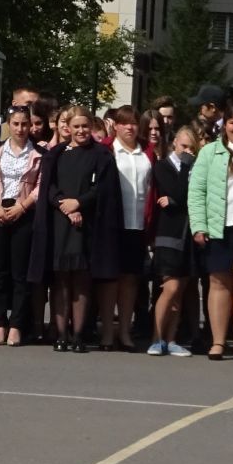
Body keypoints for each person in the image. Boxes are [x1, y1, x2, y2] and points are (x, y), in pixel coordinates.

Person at [37, 106, 119, 352]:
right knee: (61, 280)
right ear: (68, 128)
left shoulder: (101, 155)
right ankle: (61, 334)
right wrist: (65, 205)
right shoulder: (57, 154)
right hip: (61, 222)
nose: (81, 131)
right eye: (76, 126)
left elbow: (103, 188)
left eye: (85, 126)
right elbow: (48, 186)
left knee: (82, 280)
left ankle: (79, 335)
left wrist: (80, 203)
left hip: (87, 222)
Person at [188, 102, 233, 361]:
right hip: (219, 226)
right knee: (218, 284)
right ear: (224, 125)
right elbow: (196, 192)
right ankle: (217, 341)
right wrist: (199, 225)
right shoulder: (209, 152)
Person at [0, 102, 40, 347]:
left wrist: (22, 206)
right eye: (15, 124)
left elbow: (40, 185)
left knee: (19, 273)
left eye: (24, 124)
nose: (20, 128)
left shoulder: (38, 153)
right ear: (9, 125)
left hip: (23, 212)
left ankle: (16, 324)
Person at [100, 105, 153, 351]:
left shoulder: (147, 152)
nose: (130, 127)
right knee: (111, 279)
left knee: (131, 280)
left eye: (133, 123)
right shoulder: (107, 151)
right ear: (116, 126)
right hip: (114, 225)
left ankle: (125, 330)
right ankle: (108, 332)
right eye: (124, 123)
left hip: (139, 224)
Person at [148, 123, 196, 356]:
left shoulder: (196, 167)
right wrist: (185, 170)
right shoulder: (162, 166)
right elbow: (176, 191)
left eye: (191, 148)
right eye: (183, 145)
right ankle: (156, 337)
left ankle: (172, 338)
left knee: (181, 289)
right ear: (174, 142)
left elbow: (186, 197)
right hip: (167, 233)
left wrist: (176, 201)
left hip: (188, 234)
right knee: (170, 285)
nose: (187, 151)